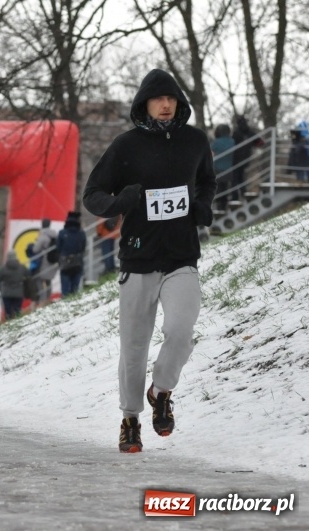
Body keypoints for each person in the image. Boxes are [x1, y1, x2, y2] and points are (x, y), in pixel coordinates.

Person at [82, 68, 216, 453]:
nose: (165, 104)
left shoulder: (194, 141)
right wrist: (119, 203)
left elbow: (207, 181)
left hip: (181, 257)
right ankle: (130, 419)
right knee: (134, 347)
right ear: (144, 104)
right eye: (158, 99)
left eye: (171, 98)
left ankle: (161, 390)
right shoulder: (126, 147)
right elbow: (93, 194)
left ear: (179, 103)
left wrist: (202, 206)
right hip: (138, 259)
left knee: (180, 330)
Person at [28, 218, 59, 303]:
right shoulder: (54, 235)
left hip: (43, 262)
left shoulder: (43, 236)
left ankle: (43, 300)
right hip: (52, 261)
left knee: (39, 280)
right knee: (48, 281)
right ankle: (48, 299)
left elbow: (35, 249)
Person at [57, 211, 87, 296]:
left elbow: (58, 248)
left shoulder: (62, 233)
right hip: (77, 262)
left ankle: (64, 305)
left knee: (65, 289)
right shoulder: (81, 234)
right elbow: (83, 248)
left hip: (65, 263)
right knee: (75, 289)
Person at [230, 115, 259, 202]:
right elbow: (260, 143)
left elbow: (232, 144)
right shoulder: (250, 132)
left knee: (235, 178)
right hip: (246, 158)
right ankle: (243, 193)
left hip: (236, 158)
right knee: (241, 177)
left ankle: (235, 196)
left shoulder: (236, 132)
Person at [210, 124, 235, 211]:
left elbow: (210, 153)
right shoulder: (232, 141)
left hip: (217, 168)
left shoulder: (216, 142)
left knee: (218, 188)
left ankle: (220, 206)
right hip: (229, 168)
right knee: (225, 188)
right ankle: (224, 205)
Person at [0, 251, 27, 320]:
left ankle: (9, 323)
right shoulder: (21, 267)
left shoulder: (3, 268)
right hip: (18, 292)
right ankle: (17, 323)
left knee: (8, 312)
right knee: (17, 310)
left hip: (6, 292)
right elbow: (27, 274)